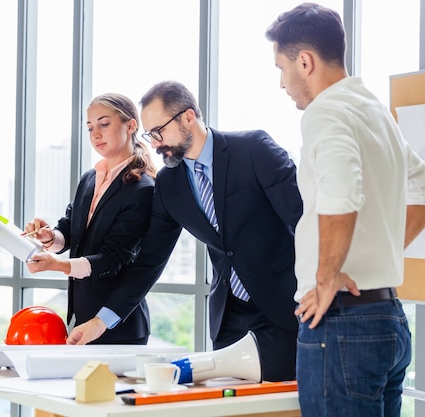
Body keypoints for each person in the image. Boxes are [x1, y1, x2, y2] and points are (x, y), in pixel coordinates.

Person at [76, 80, 301, 380]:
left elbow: (304, 218)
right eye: (149, 134)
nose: (154, 143)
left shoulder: (252, 150)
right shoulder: (170, 184)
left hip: (285, 308)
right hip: (229, 320)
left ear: (188, 117)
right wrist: (101, 321)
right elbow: (150, 260)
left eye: (159, 131)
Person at [266, 3, 425, 416]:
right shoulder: (372, 110)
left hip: (342, 325)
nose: (282, 83)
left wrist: (326, 277)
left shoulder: (326, 112)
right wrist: (390, 243)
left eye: (281, 69)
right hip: (388, 318)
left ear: (305, 62)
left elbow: (341, 191)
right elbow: (421, 184)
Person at [23, 93, 158, 345]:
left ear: (131, 126)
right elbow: (70, 231)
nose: (96, 134)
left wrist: (56, 265)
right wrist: (50, 237)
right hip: (83, 319)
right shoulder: (89, 178)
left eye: (104, 124)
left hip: (120, 328)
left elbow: (112, 259)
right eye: (90, 127)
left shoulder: (143, 189)